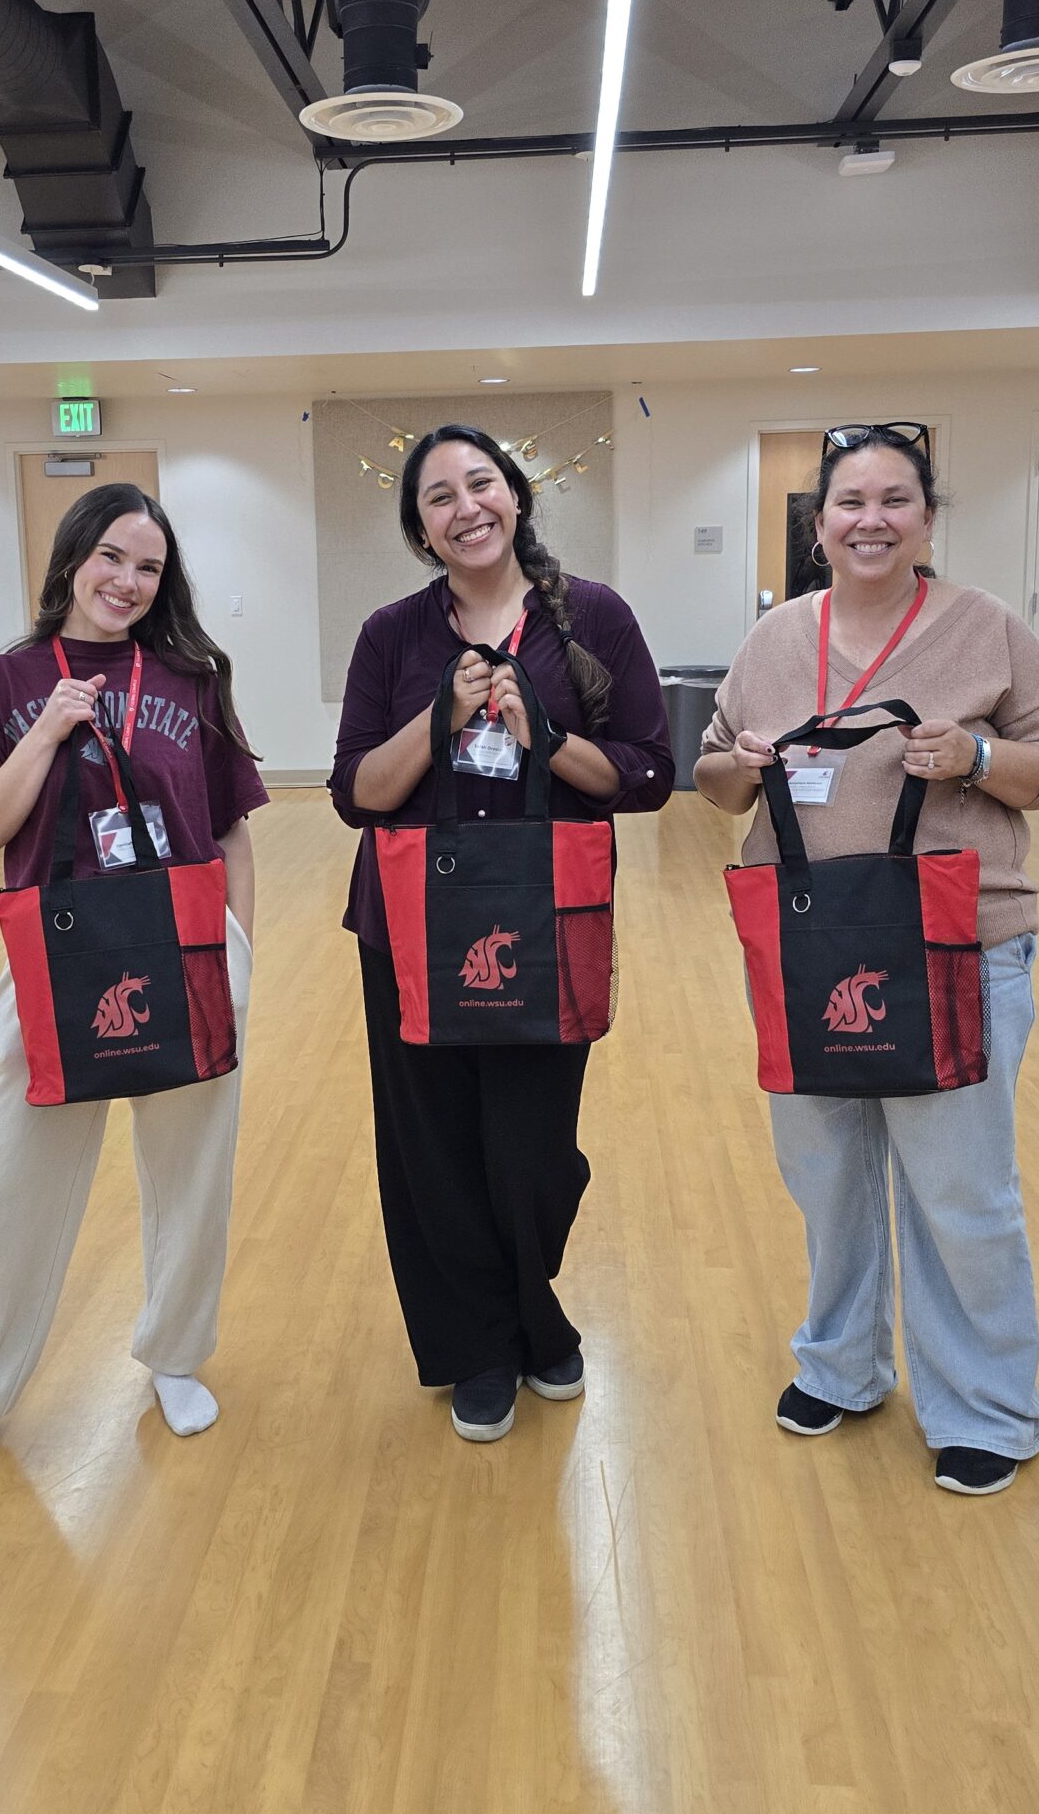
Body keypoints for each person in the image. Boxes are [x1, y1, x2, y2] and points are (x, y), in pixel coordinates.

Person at [694, 424, 1039, 1497]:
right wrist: (734, 765)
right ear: (818, 524)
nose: (870, 519)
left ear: (924, 516)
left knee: (959, 1187)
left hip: (956, 943)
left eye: (894, 500)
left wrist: (978, 757)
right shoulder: (775, 637)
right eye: (849, 502)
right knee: (824, 1173)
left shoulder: (986, 630)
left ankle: (988, 1409)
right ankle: (842, 1364)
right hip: (807, 940)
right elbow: (715, 782)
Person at [0, 483, 265, 1496]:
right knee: (6, 1188)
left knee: (191, 1175)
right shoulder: (0, 683)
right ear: (70, 559)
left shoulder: (191, 677)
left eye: (148, 568)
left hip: (187, 950)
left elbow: (230, 825)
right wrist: (46, 733)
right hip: (53, 957)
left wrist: (240, 954)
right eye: (111, 558)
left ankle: (176, 1357)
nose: (127, 582)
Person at [331, 424, 673, 1443]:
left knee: (531, 1149)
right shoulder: (392, 635)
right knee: (431, 1145)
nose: (464, 507)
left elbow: (650, 775)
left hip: (541, 919)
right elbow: (357, 793)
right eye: (438, 497)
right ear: (420, 530)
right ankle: (483, 1344)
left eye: (480, 484)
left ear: (516, 497)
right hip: (407, 925)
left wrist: (548, 740)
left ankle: (533, 1306)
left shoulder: (592, 618)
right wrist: (439, 715)